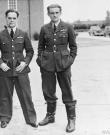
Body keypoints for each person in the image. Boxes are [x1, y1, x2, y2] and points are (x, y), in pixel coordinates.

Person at [0, 9, 37, 128]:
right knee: (5, 95)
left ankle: (31, 119)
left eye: (14, 18)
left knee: (26, 95)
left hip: (21, 70)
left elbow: (30, 51)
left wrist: (25, 62)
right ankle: (4, 118)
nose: (11, 20)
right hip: (5, 70)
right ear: (6, 19)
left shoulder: (23, 34)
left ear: (17, 19)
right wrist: (0, 63)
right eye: (9, 18)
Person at [36, 4, 77, 133]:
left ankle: (71, 119)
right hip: (47, 65)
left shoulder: (68, 27)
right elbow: (40, 47)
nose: (54, 15)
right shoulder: (44, 28)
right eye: (52, 13)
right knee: (48, 91)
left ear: (60, 13)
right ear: (48, 14)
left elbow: (73, 47)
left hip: (63, 64)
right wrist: (41, 61)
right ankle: (50, 116)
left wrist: (69, 61)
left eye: (56, 12)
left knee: (67, 91)